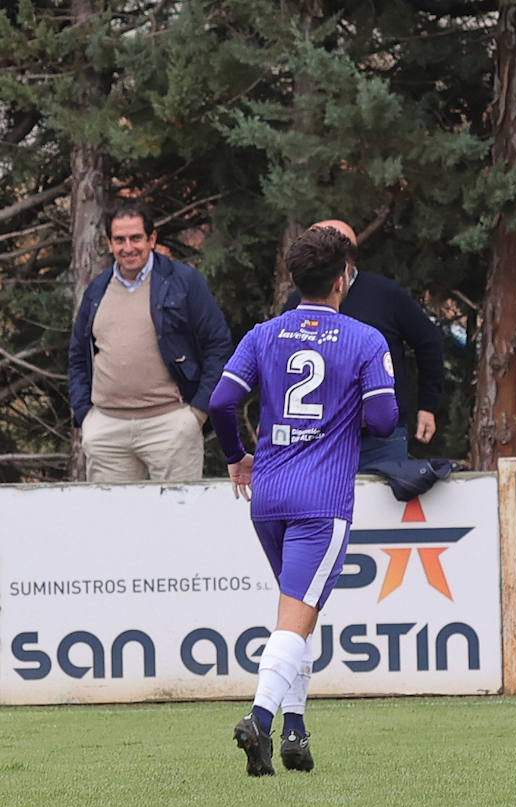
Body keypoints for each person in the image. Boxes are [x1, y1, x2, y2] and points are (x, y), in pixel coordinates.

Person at [209, 226, 399, 775]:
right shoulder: (365, 340)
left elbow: (223, 401)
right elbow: (385, 419)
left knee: (297, 613)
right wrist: (345, 416)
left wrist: (234, 456)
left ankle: (295, 732)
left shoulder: (265, 333)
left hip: (267, 494)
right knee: (296, 620)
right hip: (321, 498)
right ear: (343, 279)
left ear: (297, 279)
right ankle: (261, 719)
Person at [68, 200, 232, 481]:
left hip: (171, 425)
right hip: (107, 430)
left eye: (136, 238)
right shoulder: (97, 290)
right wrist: (86, 415)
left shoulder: (185, 281)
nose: (128, 247)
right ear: (109, 243)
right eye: (119, 239)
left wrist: (197, 413)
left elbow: (218, 344)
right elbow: (78, 355)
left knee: (175, 520)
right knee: (113, 522)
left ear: (152, 239)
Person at [284, 220, 444, 469]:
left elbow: (429, 342)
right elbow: (282, 365)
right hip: (317, 437)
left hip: (380, 440)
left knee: (382, 508)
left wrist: (427, 406)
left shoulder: (387, 295)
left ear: (350, 259)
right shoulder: (298, 302)